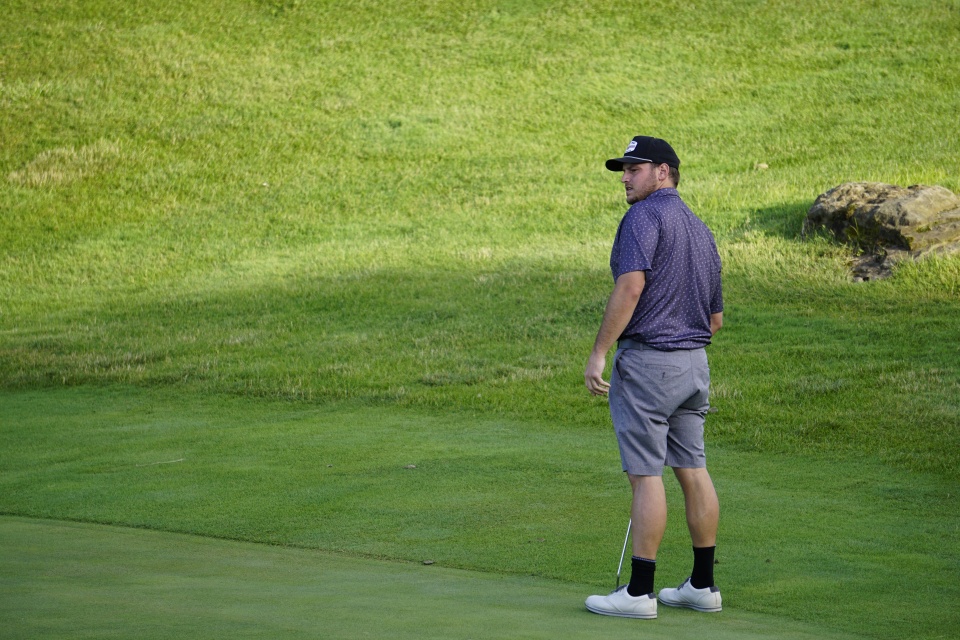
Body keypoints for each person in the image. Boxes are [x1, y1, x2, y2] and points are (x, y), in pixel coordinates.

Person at [583, 136, 724, 620]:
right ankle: (702, 586)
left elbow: (631, 286)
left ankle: (639, 593)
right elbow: (715, 320)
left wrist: (599, 353)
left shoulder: (643, 217)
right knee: (693, 469)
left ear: (663, 172)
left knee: (646, 476)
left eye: (634, 169)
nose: (625, 178)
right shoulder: (700, 229)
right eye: (623, 170)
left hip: (649, 364)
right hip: (694, 365)